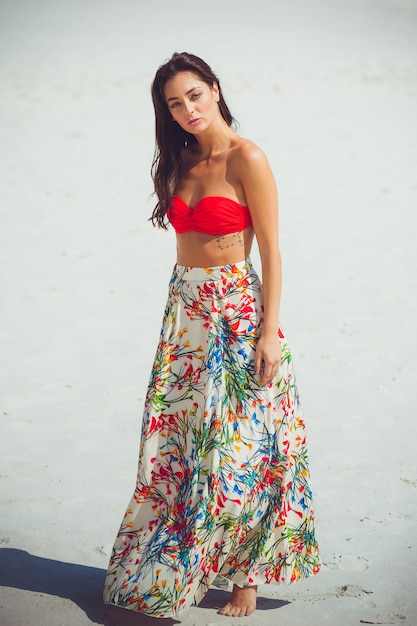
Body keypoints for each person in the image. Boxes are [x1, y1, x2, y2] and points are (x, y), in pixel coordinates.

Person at [103, 51, 320, 619]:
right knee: (177, 445)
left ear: (216, 89)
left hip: (237, 312)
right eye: (174, 103)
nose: (187, 109)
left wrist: (268, 334)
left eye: (194, 95)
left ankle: (244, 576)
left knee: (242, 448)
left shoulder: (247, 157)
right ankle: (179, 566)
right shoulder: (179, 160)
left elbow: (272, 252)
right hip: (185, 315)